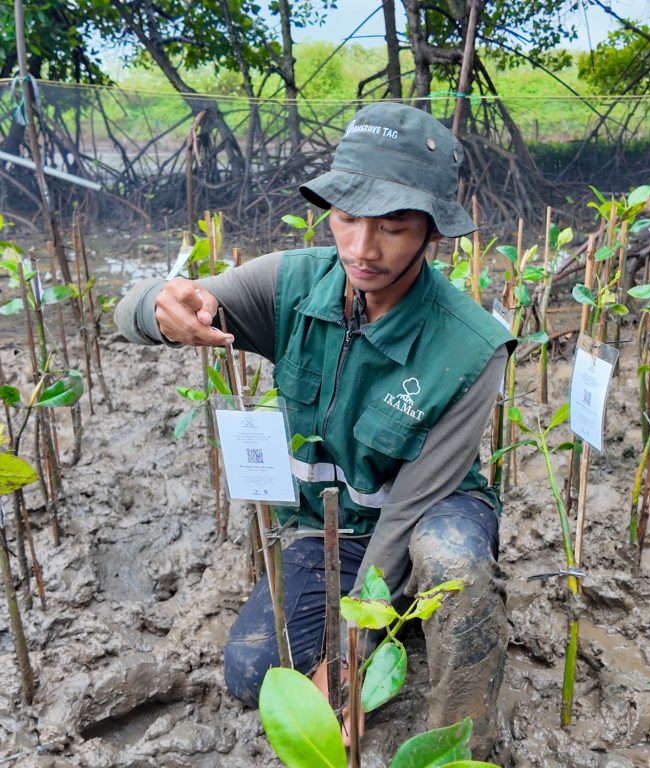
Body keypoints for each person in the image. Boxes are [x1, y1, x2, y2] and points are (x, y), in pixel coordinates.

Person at [114, 102, 516, 756]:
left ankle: (460, 741)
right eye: (347, 218)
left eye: (392, 227)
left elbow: (407, 509)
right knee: (251, 673)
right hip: (330, 532)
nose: (361, 249)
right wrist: (158, 305)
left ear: (432, 232)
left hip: (428, 517)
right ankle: (403, 621)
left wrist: (352, 654)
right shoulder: (291, 286)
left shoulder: (472, 348)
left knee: (452, 562)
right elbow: (133, 312)